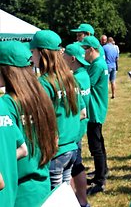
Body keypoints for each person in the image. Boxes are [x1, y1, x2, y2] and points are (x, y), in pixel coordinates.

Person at [0, 40, 58, 206]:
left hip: (20, 191)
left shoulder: (8, 103)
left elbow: (16, 150)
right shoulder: (41, 96)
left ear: (6, 70)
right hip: (42, 183)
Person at [30, 30, 83, 190]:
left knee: (54, 197)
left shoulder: (44, 83)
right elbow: (81, 113)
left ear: (42, 53)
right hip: (72, 147)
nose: (31, 58)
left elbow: (41, 119)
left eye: (32, 52)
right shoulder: (70, 78)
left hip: (57, 151)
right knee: (64, 194)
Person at [80, 36, 109, 196]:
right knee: (99, 144)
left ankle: (100, 181)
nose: (83, 54)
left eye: (84, 50)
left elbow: (85, 83)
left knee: (96, 147)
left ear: (91, 50)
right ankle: (102, 172)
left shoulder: (97, 65)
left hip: (94, 111)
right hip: (97, 109)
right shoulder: (99, 63)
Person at [64, 43, 91, 207]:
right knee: (76, 164)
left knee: (74, 166)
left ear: (72, 59)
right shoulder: (84, 74)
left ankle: (79, 200)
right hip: (80, 126)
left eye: (64, 55)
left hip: (75, 129)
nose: (62, 58)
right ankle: (80, 199)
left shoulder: (75, 79)